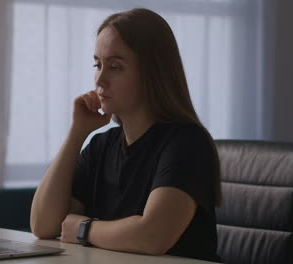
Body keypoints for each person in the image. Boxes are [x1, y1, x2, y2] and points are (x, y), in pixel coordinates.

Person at [30, 8, 222, 262]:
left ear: (152, 73)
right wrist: (77, 134)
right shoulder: (102, 145)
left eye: (115, 67)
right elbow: (44, 225)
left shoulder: (186, 143)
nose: (100, 79)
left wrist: (83, 228)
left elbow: (152, 236)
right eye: (97, 64)